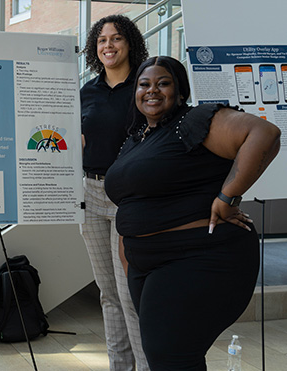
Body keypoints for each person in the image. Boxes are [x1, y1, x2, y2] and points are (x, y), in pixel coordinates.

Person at [104, 56, 281, 369]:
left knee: (170, 356)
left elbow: (263, 133)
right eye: (144, 84)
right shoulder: (136, 139)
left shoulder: (194, 121)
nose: (152, 90)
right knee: (169, 356)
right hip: (145, 264)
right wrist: (128, 256)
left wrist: (228, 196)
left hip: (196, 257)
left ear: (180, 90)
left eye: (163, 83)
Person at [79, 14, 149, 370]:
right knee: (107, 294)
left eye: (116, 38)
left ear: (129, 44)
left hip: (129, 197)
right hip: (89, 194)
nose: (108, 45)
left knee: (129, 294)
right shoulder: (87, 91)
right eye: (102, 40)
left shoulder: (145, 84)